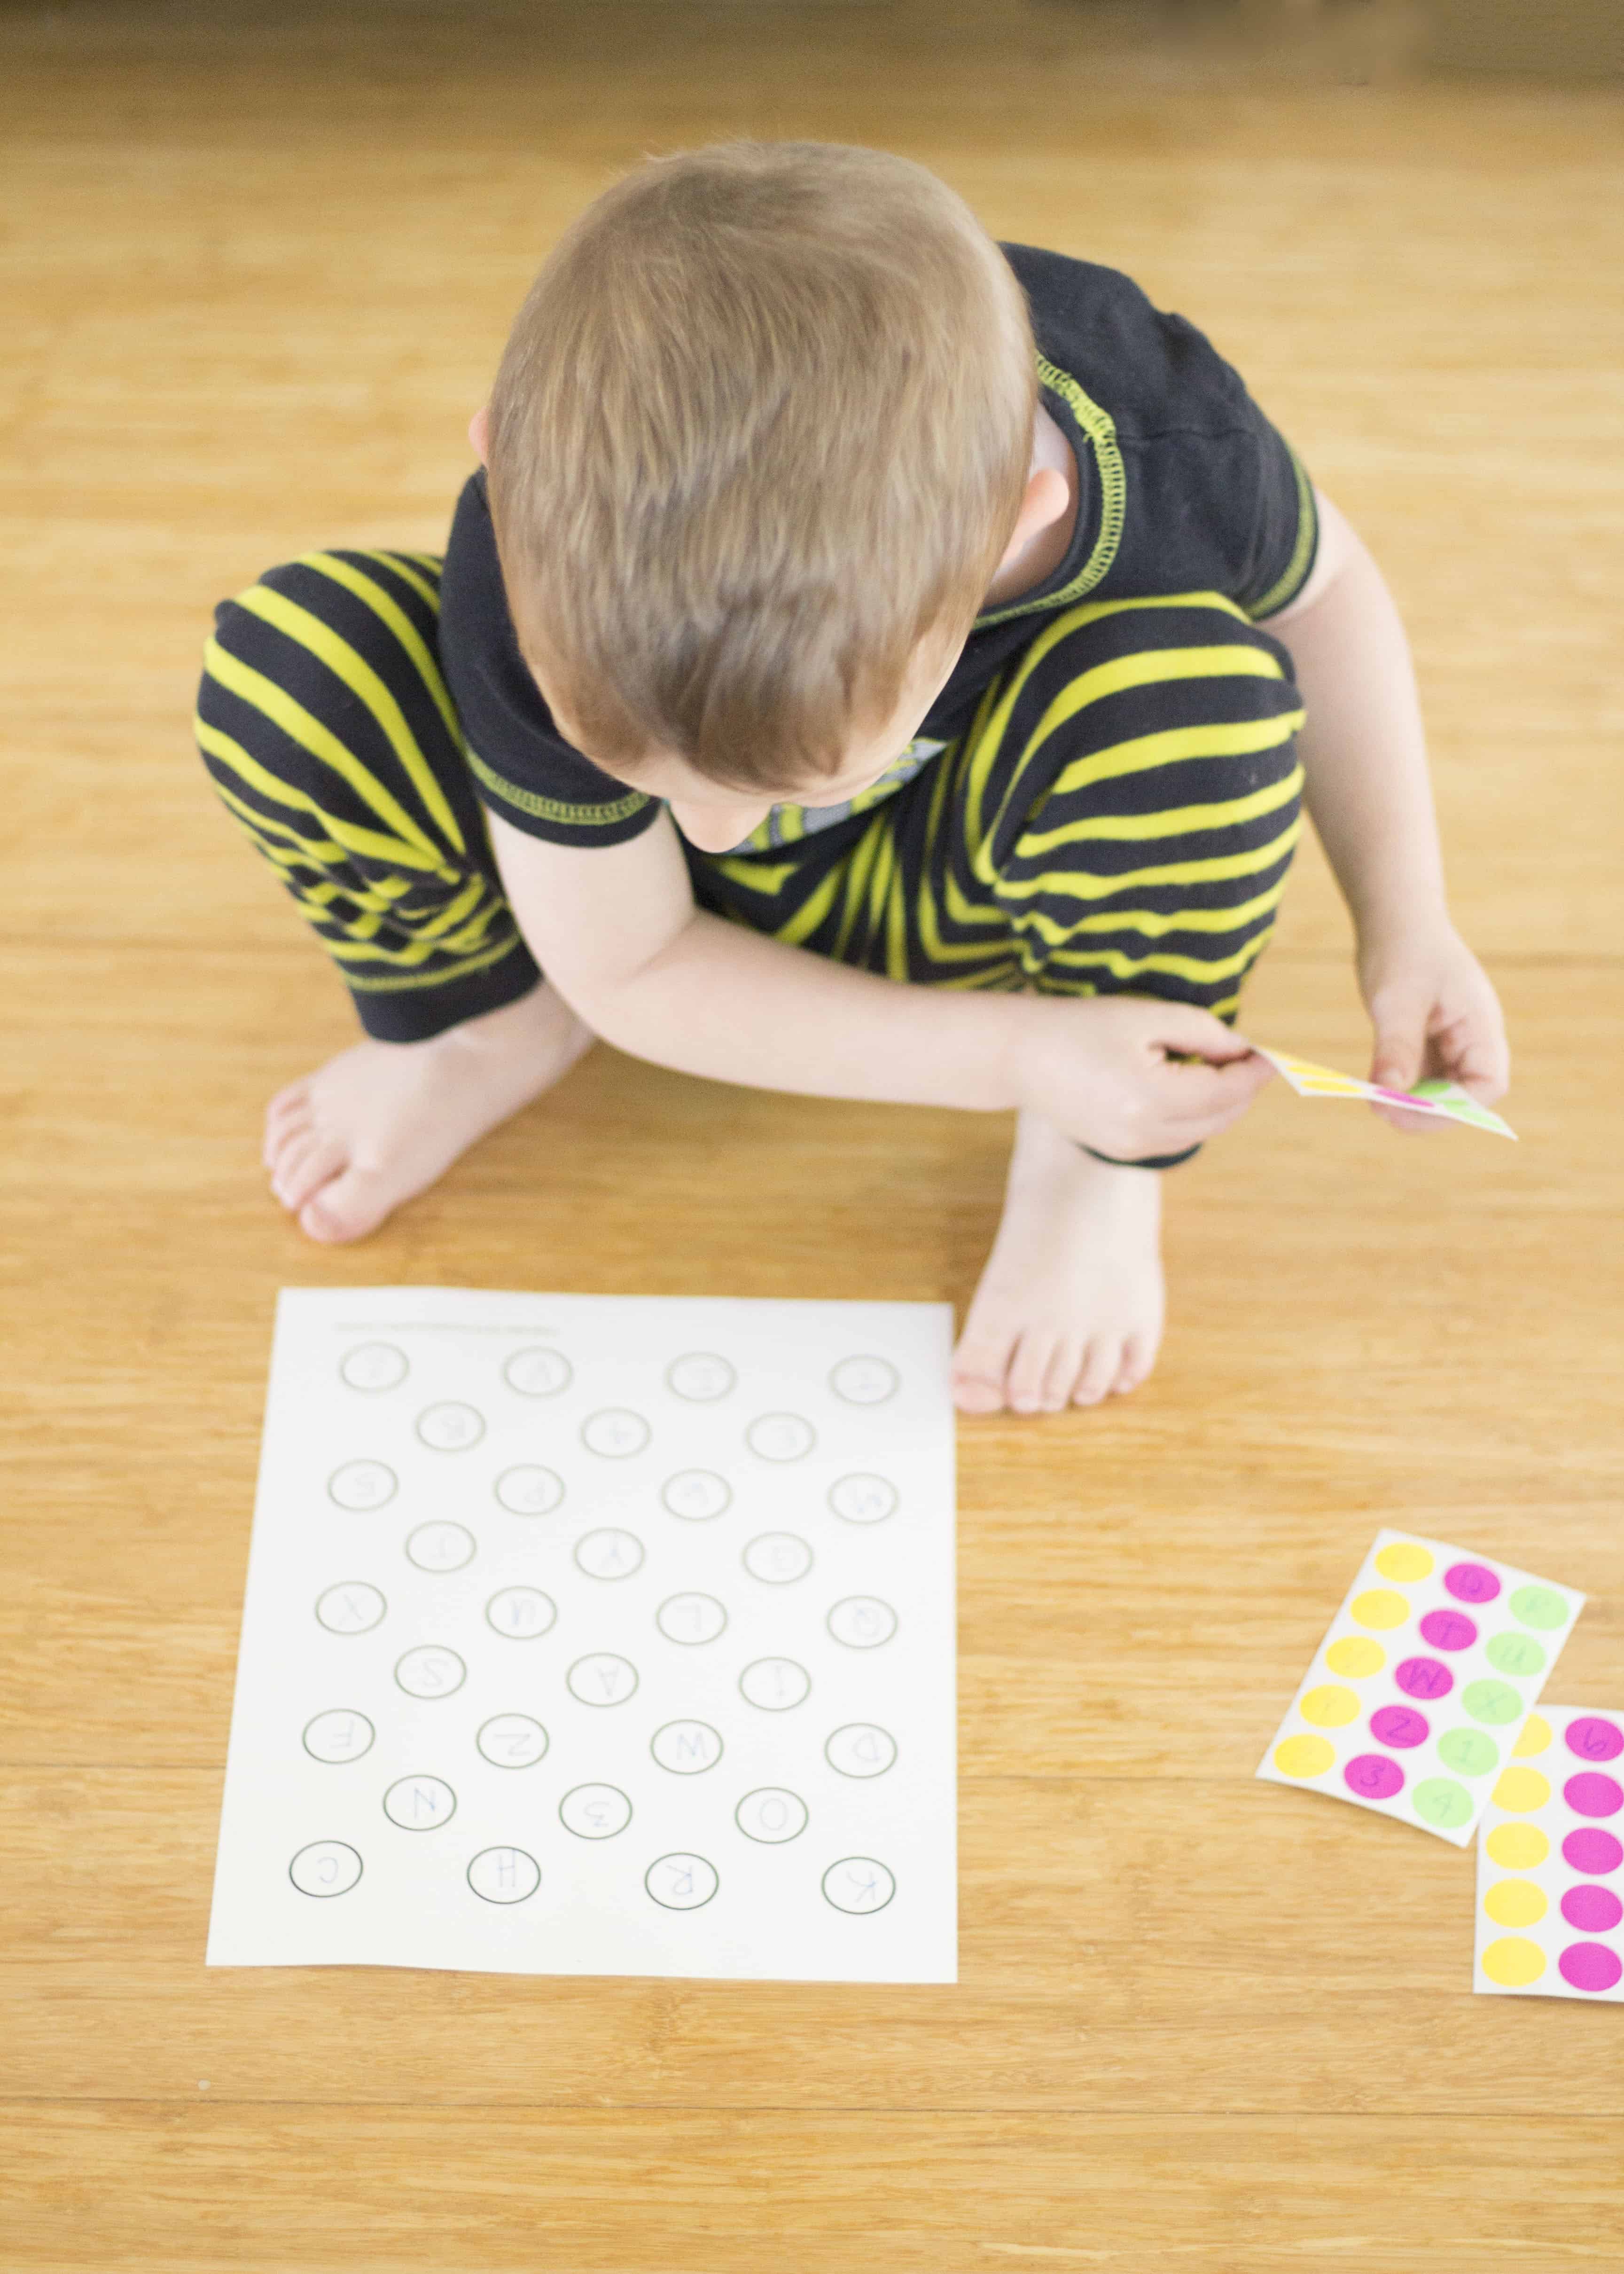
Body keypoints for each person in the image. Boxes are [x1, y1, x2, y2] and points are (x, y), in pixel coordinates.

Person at [195, 140, 1508, 1416]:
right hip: (591, 917)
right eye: (640, 771)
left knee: (1199, 699)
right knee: (296, 661)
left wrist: (1406, 912)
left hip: (950, 885)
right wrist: (1007, 1057)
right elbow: (641, 958)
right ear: (504, 453)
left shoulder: (1172, 445)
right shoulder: (543, 524)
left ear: (1017, 525)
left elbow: (1324, 598)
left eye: (771, 777)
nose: (704, 832)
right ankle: (495, 1013)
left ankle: (1093, 1158)